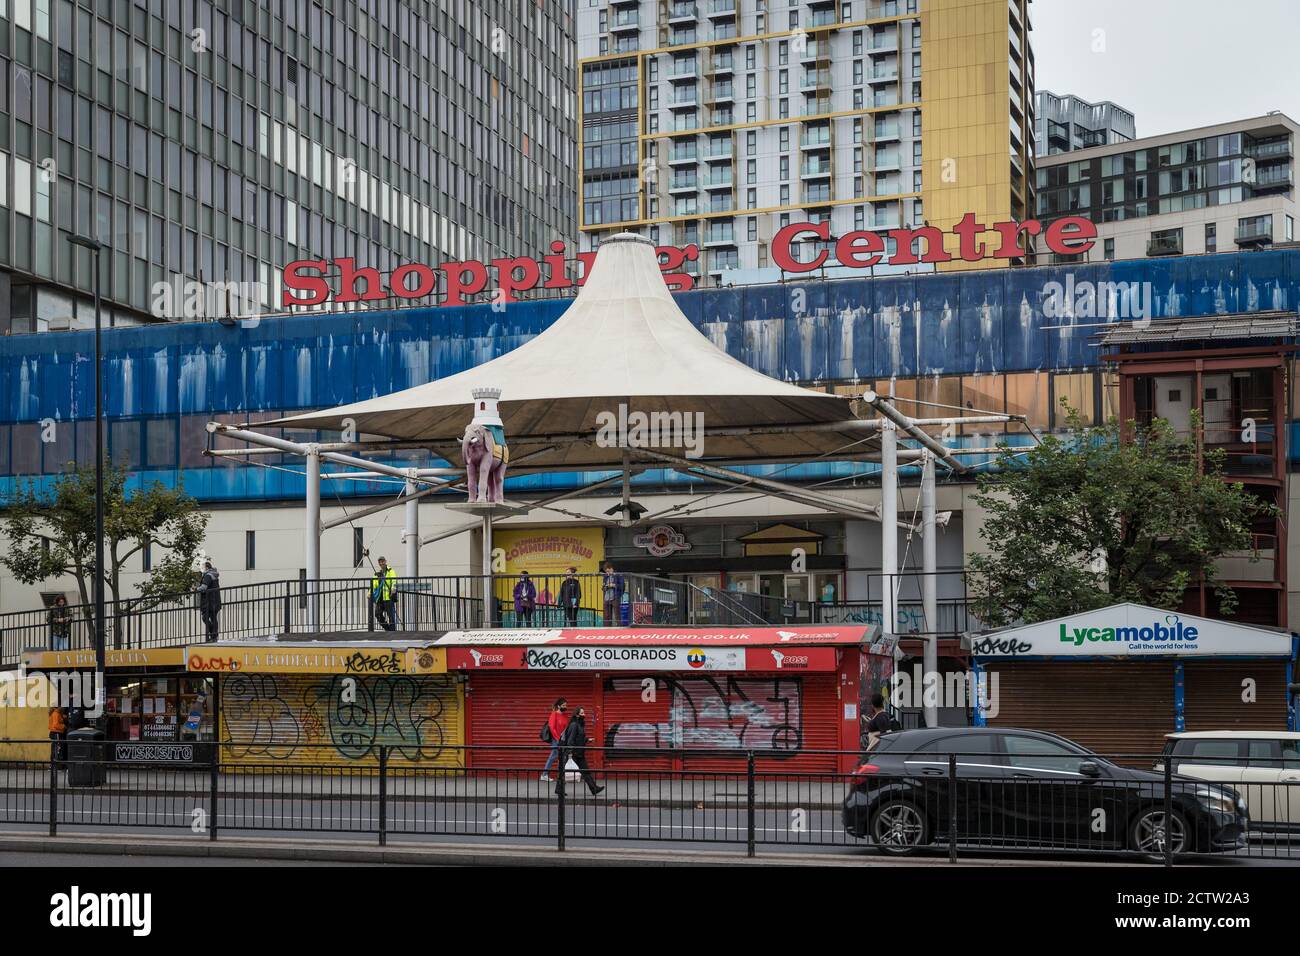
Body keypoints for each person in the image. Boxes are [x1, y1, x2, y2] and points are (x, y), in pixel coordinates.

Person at [555, 706, 604, 797]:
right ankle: (559, 789)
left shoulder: (579, 725)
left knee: (585, 771)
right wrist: (570, 752)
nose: (584, 714)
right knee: (564, 771)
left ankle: (594, 788)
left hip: (579, 753)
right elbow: (571, 739)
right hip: (573, 753)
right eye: (582, 713)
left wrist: (587, 740)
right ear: (577, 715)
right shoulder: (574, 725)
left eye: (584, 713)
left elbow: (579, 737)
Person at [540, 698, 570, 782]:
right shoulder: (554, 714)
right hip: (555, 739)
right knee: (553, 756)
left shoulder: (565, 715)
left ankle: (560, 776)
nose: (565, 707)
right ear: (558, 706)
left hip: (563, 739)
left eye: (566, 705)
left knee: (562, 758)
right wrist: (557, 739)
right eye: (563, 705)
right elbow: (552, 728)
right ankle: (544, 774)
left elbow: (566, 727)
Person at [371, 556, 397, 631]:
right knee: (377, 614)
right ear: (379, 563)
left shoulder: (390, 571)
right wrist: (370, 592)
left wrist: (393, 589)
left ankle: (392, 632)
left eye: (382, 561)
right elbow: (373, 584)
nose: (381, 563)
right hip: (380, 598)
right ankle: (387, 629)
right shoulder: (377, 574)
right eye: (380, 562)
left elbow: (394, 580)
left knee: (391, 616)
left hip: (388, 597)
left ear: (385, 561)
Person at [197, 561, 222, 641]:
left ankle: (213, 635)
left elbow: (204, 587)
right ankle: (214, 635)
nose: (201, 569)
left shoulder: (208, 576)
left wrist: (196, 589)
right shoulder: (214, 575)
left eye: (202, 567)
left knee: (205, 617)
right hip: (215, 600)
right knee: (213, 618)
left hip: (209, 601)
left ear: (207, 568)